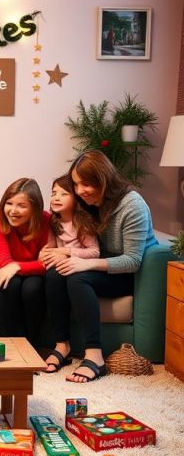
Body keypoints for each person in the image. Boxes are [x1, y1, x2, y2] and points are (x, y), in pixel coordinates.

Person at [44, 150, 158, 383]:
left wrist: (83, 263)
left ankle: (95, 356)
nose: (80, 191)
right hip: (99, 265)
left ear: (103, 179)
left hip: (126, 273)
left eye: (86, 184)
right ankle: (62, 346)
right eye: (76, 184)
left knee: (77, 276)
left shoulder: (132, 206)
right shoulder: (91, 203)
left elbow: (132, 261)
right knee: (56, 272)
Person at [38, 173, 100, 373]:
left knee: (69, 274)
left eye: (63, 194)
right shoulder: (53, 222)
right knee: (52, 275)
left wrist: (66, 252)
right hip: (63, 269)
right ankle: (61, 344)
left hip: (83, 267)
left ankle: (88, 351)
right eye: (54, 193)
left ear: (76, 198)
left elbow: (94, 252)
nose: (56, 198)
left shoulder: (83, 221)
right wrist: (46, 254)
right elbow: (51, 248)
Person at [0, 178, 51, 351]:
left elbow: (46, 264)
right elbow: (4, 263)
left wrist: (17, 266)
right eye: (9, 203)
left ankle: (32, 347)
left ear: (35, 208)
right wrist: (19, 266)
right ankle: (9, 346)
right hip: (9, 273)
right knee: (8, 285)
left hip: (35, 276)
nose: (13, 211)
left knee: (32, 288)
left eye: (21, 206)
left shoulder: (46, 220)